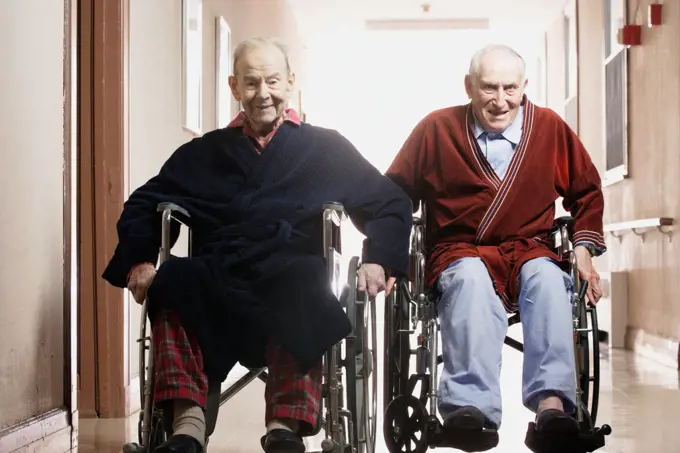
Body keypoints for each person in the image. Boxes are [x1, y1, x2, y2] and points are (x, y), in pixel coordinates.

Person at [103, 37, 412, 453]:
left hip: (289, 275)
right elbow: (145, 202)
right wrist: (139, 260)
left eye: (272, 81)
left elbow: (388, 200)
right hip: (216, 278)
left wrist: (379, 261)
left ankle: (284, 425)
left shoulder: (326, 149)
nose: (262, 93)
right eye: (250, 83)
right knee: (172, 279)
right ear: (234, 87)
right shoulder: (204, 153)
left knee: (305, 279)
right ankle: (186, 426)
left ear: (290, 82)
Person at [385, 44, 606, 451]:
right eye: (488, 87)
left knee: (548, 280)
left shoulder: (550, 128)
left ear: (524, 87)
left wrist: (583, 251)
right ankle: (469, 408)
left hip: (530, 249)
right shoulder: (436, 129)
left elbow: (587, 193)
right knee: (468, 280)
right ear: (468, 86)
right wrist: (389, 253)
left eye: (509, 88)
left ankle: (552, 406)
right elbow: (394, 193)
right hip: (459, 249)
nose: (500, 100)